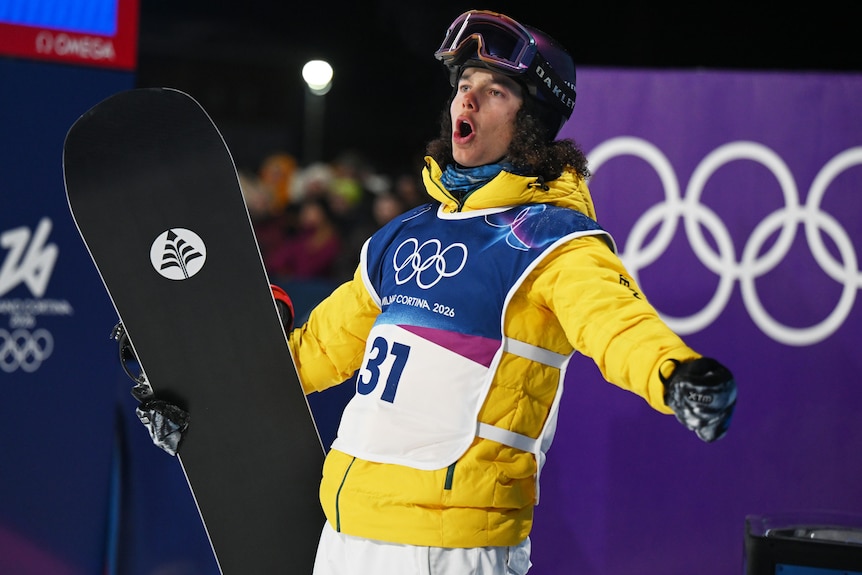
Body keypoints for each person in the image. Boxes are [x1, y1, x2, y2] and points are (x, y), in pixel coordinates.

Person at [132, 9, 737, 574]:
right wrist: (198, 391)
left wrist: (676, 373)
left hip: (452, 549)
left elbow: (617, 324)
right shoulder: (406, 234)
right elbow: (314, 354)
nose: (466, 99)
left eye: (494, 91)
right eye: (463, 84)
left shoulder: (555, 244)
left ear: (530, 125)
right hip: (346, 533)